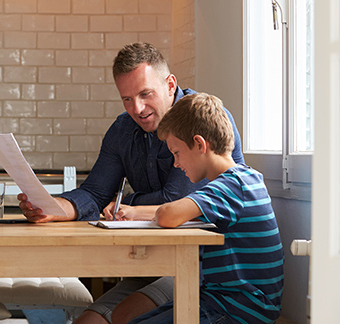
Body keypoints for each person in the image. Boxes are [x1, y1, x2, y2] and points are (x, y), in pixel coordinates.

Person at [17, 42, 245, 324]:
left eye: (145, 94)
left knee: (127, 316)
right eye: (126, 98)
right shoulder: (123, 129)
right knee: (88, 323)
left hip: (202, 266)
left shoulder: (199, 120)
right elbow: (95, 192)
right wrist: (51, 209)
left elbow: (174, 201)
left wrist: (126, 205)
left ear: (170, 84)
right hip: (148, 263)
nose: (137, 108)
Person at [127, 92, 284, 323]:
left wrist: (151, 211)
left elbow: (168, 215)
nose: (177, 163)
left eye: (177, 153)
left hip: (239, 308)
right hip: (228, 300)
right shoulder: (244, 179)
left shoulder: (231, 186)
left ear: (200, 144)